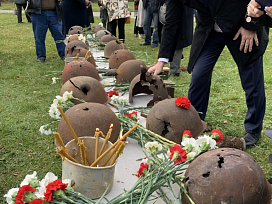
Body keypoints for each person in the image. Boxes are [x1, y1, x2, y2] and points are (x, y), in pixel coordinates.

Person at [148, 0, 269, 148]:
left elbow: (259, 2)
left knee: (251, 80)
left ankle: (253, 130)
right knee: (199, 75)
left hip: (241, 27)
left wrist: (250, 24)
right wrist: (162, 60)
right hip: (209, 30)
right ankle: (195, 121)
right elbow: (172, 21)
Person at [157, 0, 194, 76]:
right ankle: (173, 67)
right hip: (171, 17)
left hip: (181, 20)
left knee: (178, 44)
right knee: (170, 39)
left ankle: (174, 70)